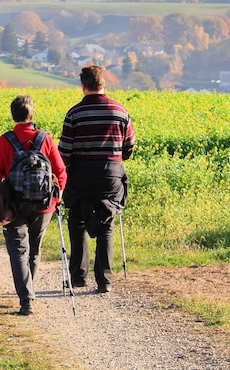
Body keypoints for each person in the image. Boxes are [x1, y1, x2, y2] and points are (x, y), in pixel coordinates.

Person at [0, 95, 67, 315]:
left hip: (13, 206)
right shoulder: (45, 139)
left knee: (18, 251)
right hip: (44, 205)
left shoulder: (5, 141)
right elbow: (60, 171)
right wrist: (56, 197)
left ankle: (26, 300)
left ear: (13, 115)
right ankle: (30, 291)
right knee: (34, 250)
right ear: (32, 114)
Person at [58, 65, 135, 294]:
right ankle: (104, 281)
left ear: (83, 86)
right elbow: (128, 149)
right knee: (106, 225)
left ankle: (78, 277)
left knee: (78, 223)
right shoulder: (121, 112)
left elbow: (65, 152)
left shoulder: (74, 113)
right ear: (104, 83)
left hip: (81, 175)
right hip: (110, 175)